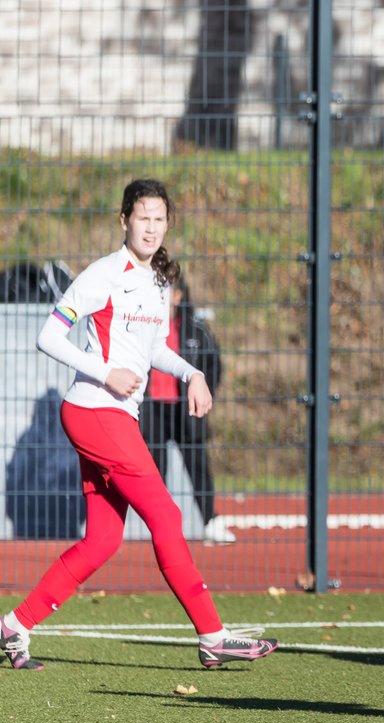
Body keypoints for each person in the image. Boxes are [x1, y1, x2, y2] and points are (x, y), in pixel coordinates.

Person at [0, 178, 278, 671]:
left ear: (167, 223)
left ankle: (13, 626)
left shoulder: (159, 281)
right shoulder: (102, 275)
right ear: (123, 220)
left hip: (111, 417)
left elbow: (153, 351)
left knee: (103, 540)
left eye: (159, 218)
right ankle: (213, 634)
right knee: (167, 517)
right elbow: (48, 336)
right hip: (93, 412)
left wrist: (192, 372)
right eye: (142, 217)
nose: (151, 227)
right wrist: (106, 371)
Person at [139, 278, 236, 545]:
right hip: (153, 409)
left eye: (165, 290)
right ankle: (161, 527)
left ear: (178, 295)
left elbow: (213, 364)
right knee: (156, 471)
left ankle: (211, 521)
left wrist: (204, 395)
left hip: (186, 411)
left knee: (197, 466)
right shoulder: (143, 326)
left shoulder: (195, 329)